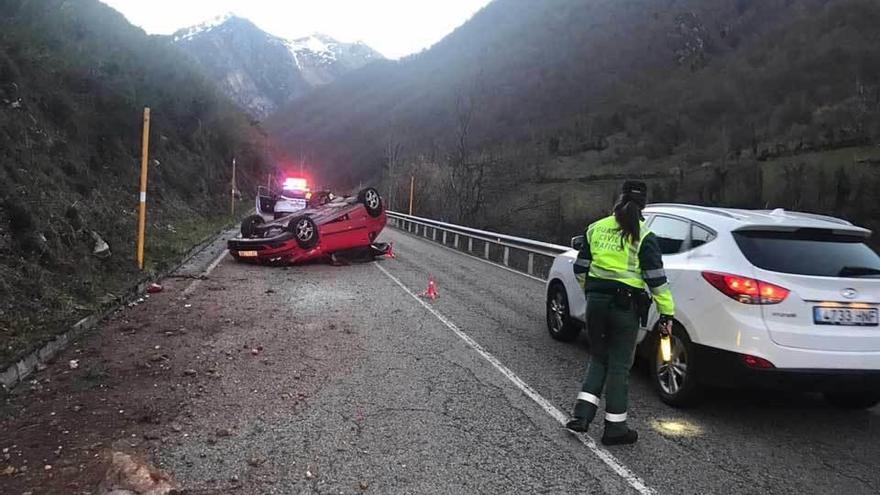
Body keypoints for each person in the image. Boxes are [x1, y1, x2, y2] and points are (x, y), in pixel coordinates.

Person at [565, 180, 675, 446]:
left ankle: (581, 417)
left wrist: (592, 293)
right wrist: (666, 314)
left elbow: (580, 268)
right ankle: (615, 429)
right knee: (619, 366)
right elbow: (656, 280)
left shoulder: (596, 228)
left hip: (597, 303)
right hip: (625, 308)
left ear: (619, 200)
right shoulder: (645, 236)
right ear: (644, 205)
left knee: (598, 358)